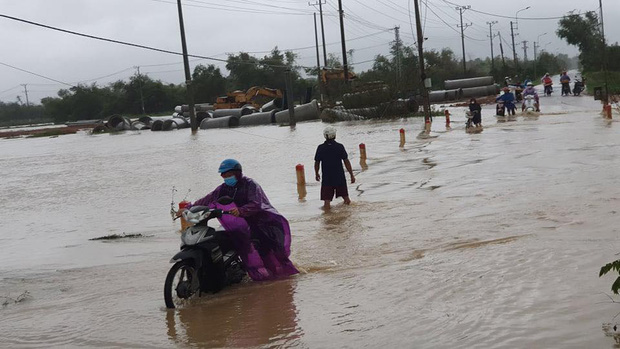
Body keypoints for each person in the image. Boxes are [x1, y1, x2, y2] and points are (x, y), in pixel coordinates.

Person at [179, 159, 298, 281]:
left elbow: (257, 203)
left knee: (267, 252)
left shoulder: (250, 185)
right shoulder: (223, 188)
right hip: (238, 224)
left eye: (227, 174)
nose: (223, 176)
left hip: (259, 223)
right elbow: (207, 200)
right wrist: (188, 208)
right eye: (222, 174)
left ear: (236, 173)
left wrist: (241, 210)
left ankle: (277, 276)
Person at [314, 126, 355, 210]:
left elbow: (317, 162)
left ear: (325, 136)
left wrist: (316, 173)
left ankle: (328, 219)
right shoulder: (340, 147)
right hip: (339, 176)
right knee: (346, 200)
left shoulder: (320, 148)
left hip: (327, 177)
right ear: (334, 135)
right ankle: (346, 215)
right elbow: (346, 161)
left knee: (327, 203)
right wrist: (351, 175)